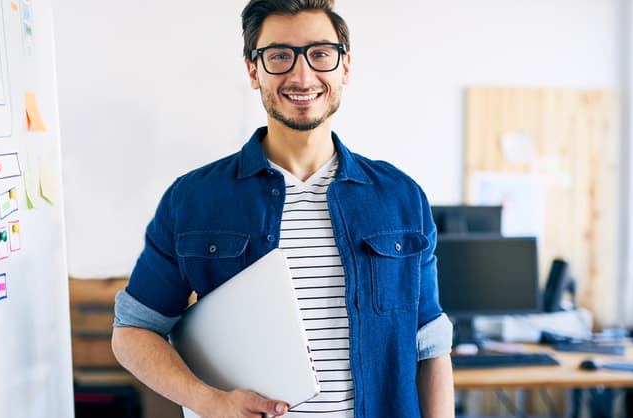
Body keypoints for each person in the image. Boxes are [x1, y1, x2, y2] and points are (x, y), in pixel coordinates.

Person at [111, 0, 455, 417]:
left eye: (320, 54)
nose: (302, 74)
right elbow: (133, 332)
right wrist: (209, 402)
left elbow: (431, 344)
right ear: (253, 71)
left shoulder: (401, 197)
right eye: (278, 56)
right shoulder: (193, 199)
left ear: (345, 67)